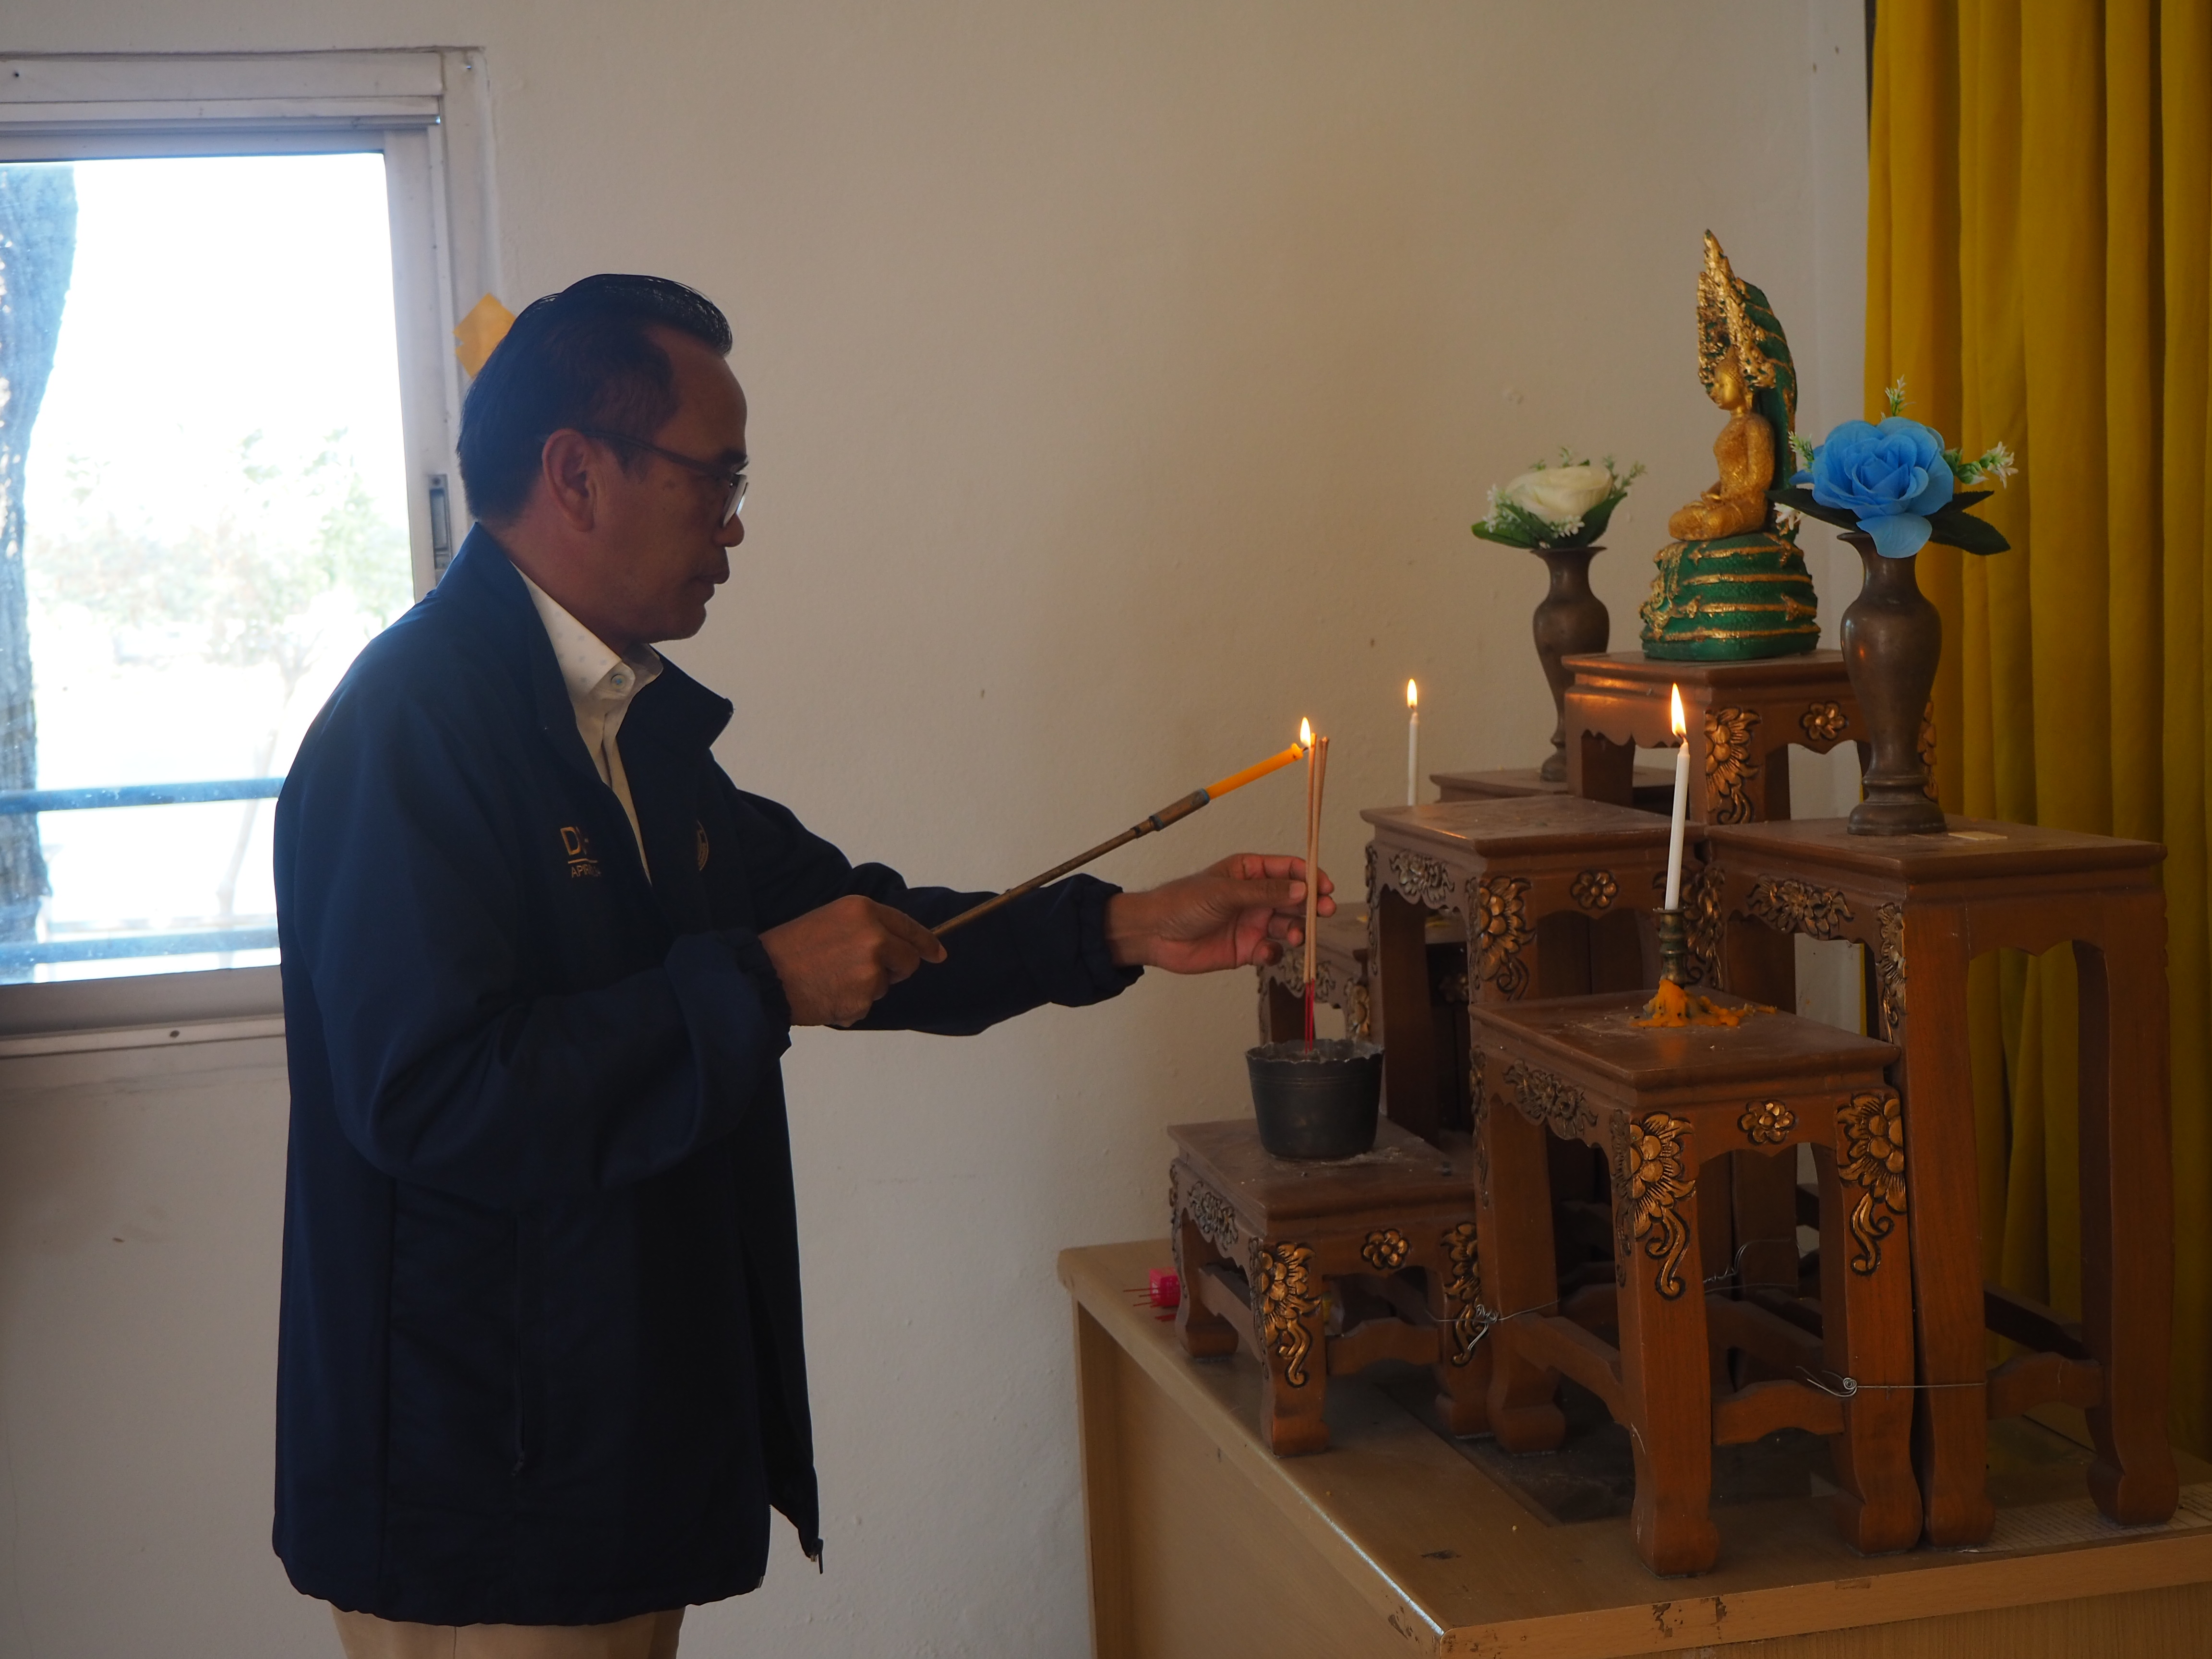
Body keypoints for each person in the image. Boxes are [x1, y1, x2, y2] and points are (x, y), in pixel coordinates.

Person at [272, 273, 1333, 1659]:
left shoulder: (627, 722)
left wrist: (1124, 925)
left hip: (607, 1432)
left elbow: (855, 926)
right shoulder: (413, 728)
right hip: (483, 1468)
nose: (735, 524)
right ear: (577, 473)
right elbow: (434, 1094)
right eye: (715, 478)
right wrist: (761, 984)